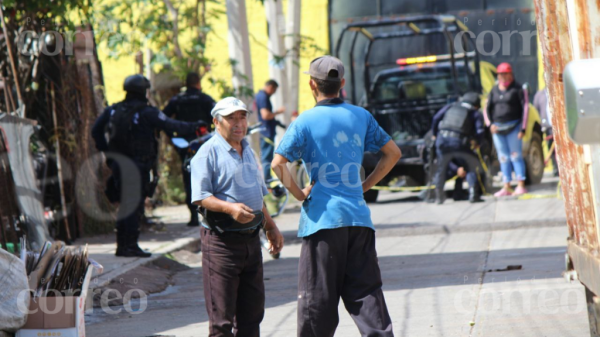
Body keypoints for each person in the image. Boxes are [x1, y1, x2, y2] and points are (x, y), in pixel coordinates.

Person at [271, 56, 400, 337]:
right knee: (367, 296)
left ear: (311, 84)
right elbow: (393, 153)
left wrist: (299, 194)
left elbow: (277, 164)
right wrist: (364, 186)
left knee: (317, 302)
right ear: (341, 84)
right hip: (359, 220)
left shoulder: (304, 121)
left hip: (323, 222)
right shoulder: (361, 116)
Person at [191, 97, 284, 337]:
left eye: (242, 117)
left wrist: (270, 227)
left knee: (251, 317)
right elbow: (201, 197)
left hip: (251, 242)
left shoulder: (249, 150)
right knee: (221, 322)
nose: (238, 123)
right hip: (221, 244)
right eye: (231, 118)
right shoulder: (207, 153)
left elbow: (257, 195)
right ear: (216, 122)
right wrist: (230, 208)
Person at [92, 74, 205, 258]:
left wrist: (108, 153)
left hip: (119, 164)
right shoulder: (146, 112)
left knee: (125, 204)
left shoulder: (113, 110)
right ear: (144, 91)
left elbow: (96, 131)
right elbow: (171, 124)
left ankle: (124, 245)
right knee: (134, 205)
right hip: (138, 164)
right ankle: (129, 246)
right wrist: (195, 126)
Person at [164, 72, 216, 227]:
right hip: (203, 144)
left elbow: (163, 118)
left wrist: (172, 138)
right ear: (198, 83)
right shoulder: (205, 99)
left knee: (189, 177)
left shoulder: (177, 99)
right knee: (208, 176)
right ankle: (208, 213)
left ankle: (193, 215)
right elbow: (220, 116)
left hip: (185, 145)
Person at [431, 92, 486, 204]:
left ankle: (439, 197)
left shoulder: (451, 106)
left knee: (442, 167)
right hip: (458, 141)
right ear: (476, 105)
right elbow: (480, 130)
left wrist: (434, 134)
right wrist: (477, 142)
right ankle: (473, 194)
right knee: (470, 164)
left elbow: (436, 118)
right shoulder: (474, 112)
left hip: (442, 140)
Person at [484, 62, 530, 196]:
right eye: (500, 74)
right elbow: (487, 109)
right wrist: (490, 125)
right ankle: (507, 186)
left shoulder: (518, 88)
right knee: (503, 157)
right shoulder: (493, 90)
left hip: (514, 127)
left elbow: (525, 108)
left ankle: (521, 184)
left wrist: (523, 128)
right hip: (498, 129)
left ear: (511, 74)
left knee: (516, 156)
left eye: (505, 73)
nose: (503, 76)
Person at [254, 80, 285, 182]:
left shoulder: (260, 95)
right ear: (270, 87)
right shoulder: (263, 97)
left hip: (266, 130)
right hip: (266, 132)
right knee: (267, 156)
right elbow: (265, 115)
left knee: (266, 155)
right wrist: (277, 112)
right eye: (274, 90)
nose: (274, 92)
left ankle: (266, 179)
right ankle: (266, 180)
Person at [534, 87, 559, 177]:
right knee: (552, 149)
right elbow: (536, 110)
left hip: (560, 125)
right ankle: (556, 168)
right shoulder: (539, 95)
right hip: (548, 127)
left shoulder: (558, 90)